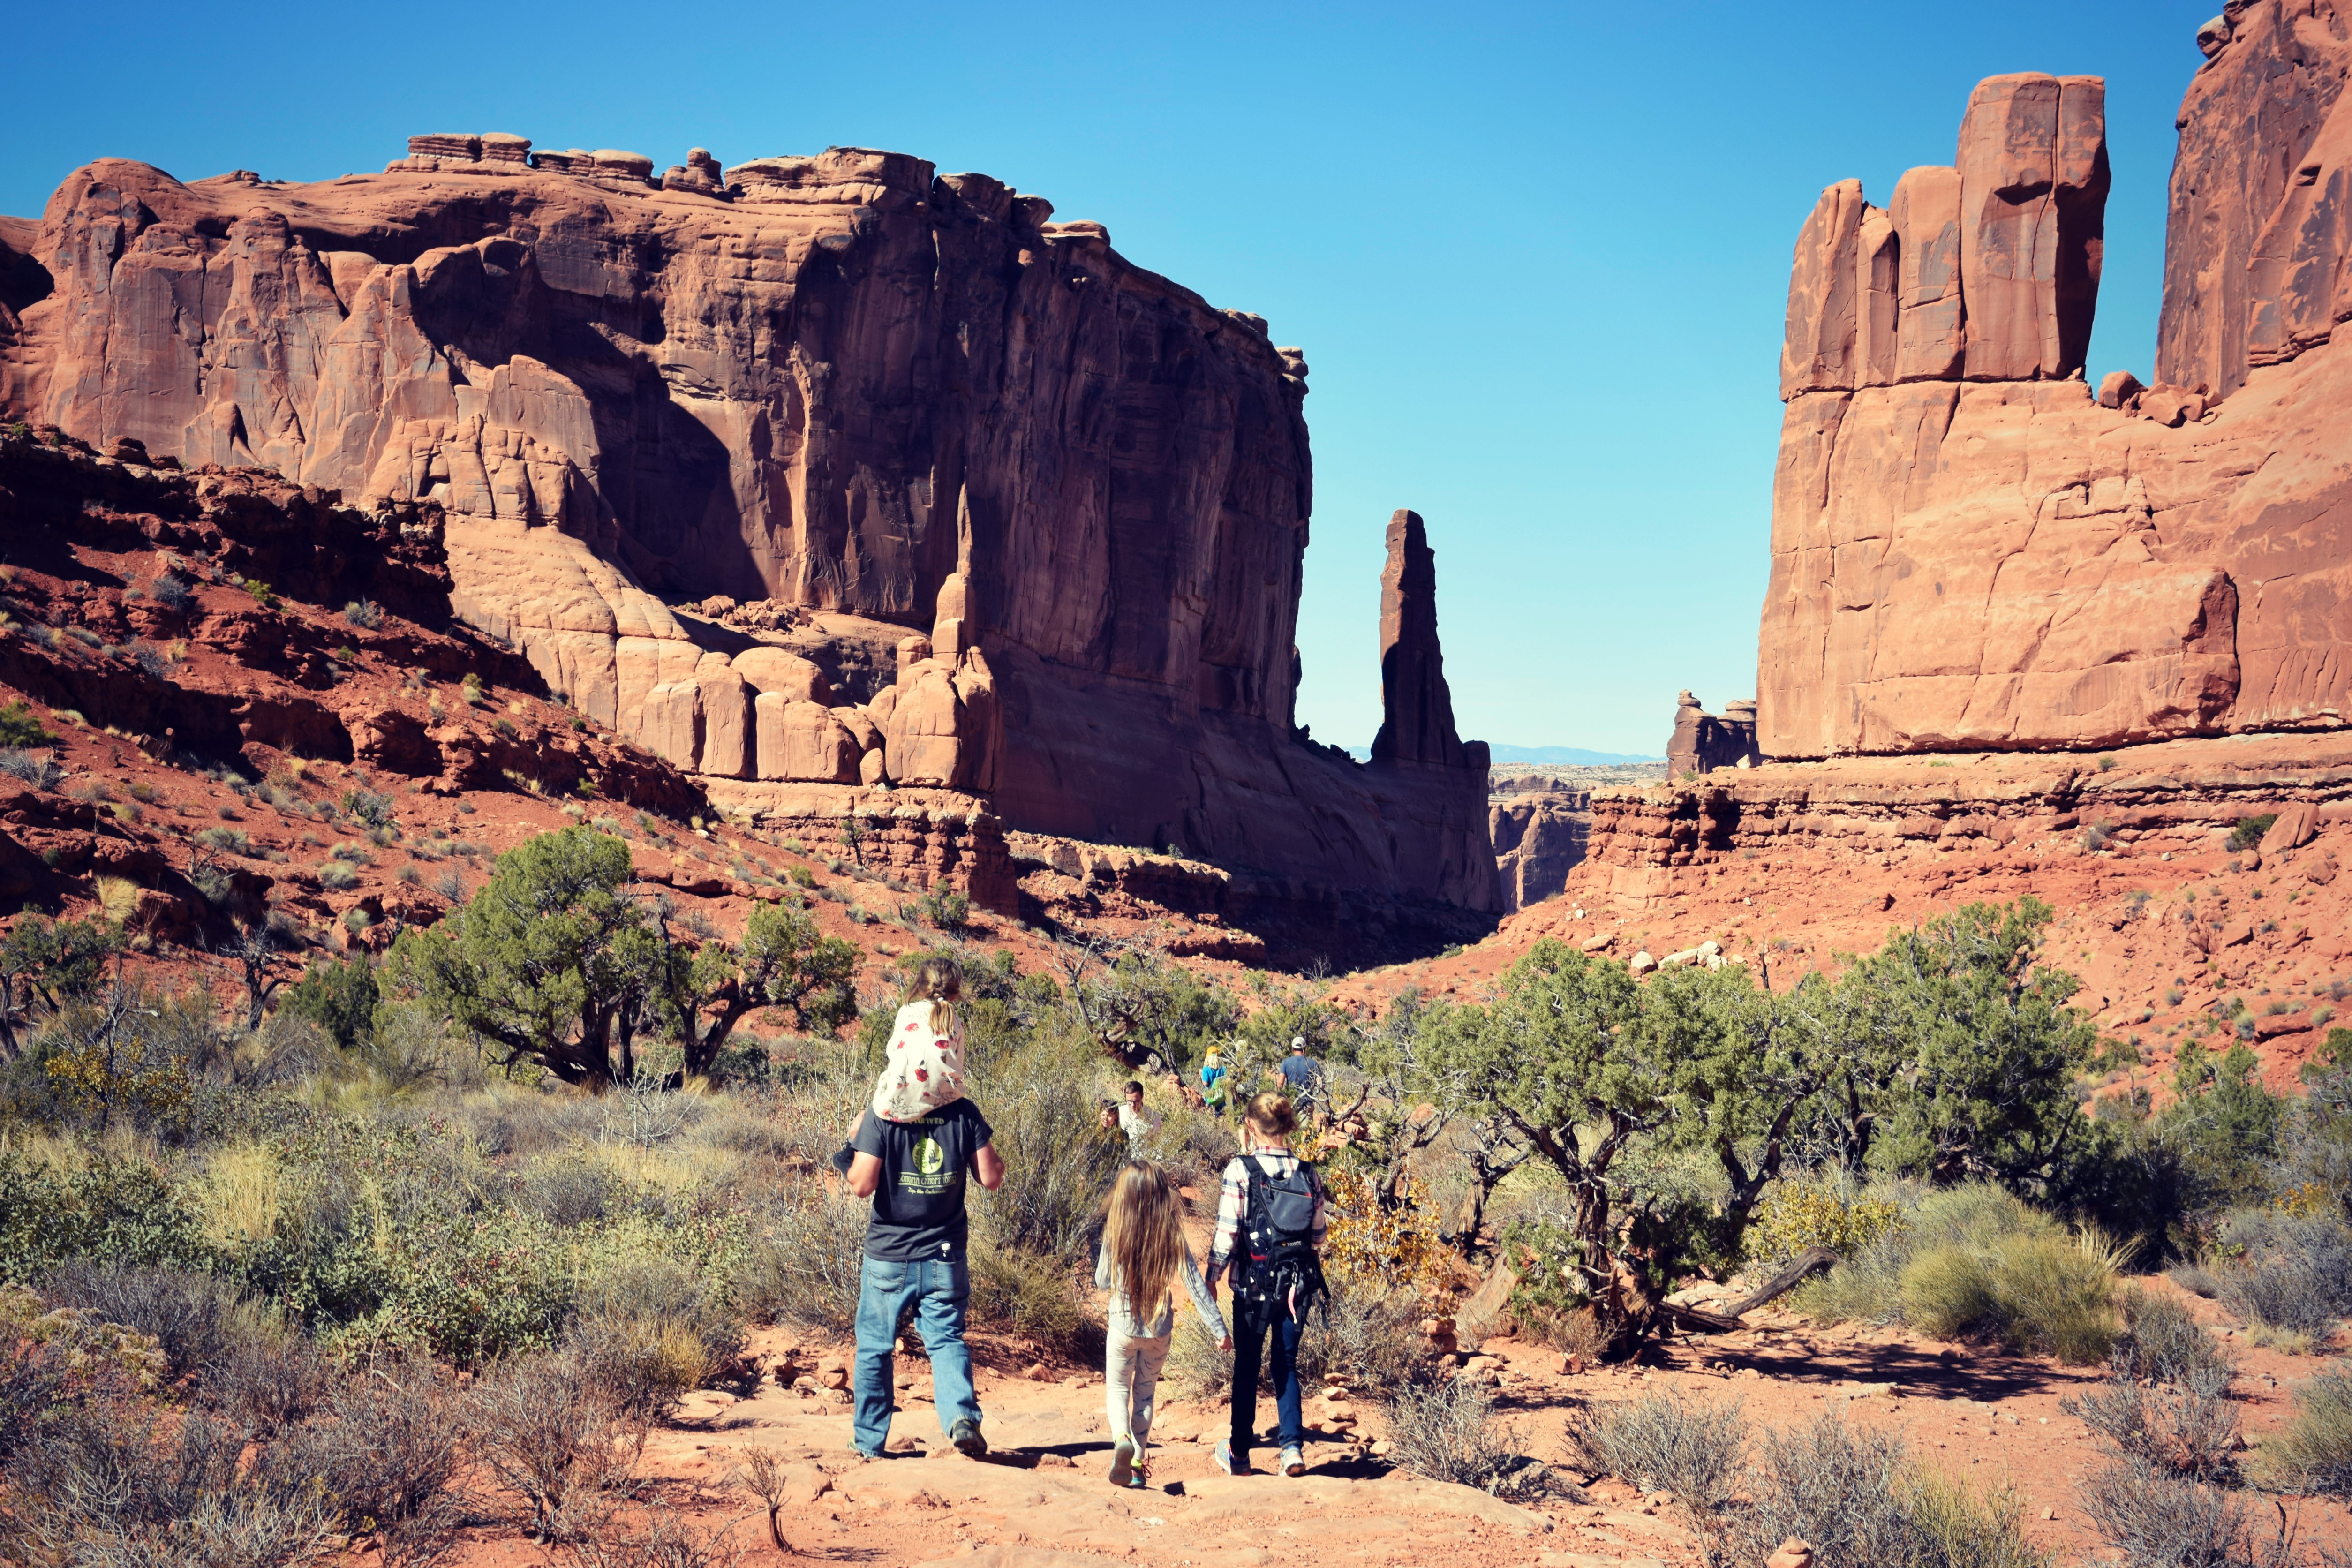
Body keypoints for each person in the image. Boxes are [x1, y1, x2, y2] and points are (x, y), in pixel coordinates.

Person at [844, 958, 1005, 1460]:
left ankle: (871, 1443)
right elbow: (993, 1177)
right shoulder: (963, 1111)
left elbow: (861, 1185)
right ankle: (960, 1419)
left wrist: (849, 1148)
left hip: (889, 1252)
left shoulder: (885, 1109)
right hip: (944, 1253)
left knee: (875, 1346)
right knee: (946, 1338)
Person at [1205, 1091, 1327, 1478]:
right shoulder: (1309, 1173)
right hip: (1298, 1287)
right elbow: (1320, 1236)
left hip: (1252, 1288)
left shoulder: (1240, 1170)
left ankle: (1239, 1453)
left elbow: (1227, 1233)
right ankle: (1291, 1449)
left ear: (1251, 1126)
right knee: (1286, 1363)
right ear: (1288, 1126)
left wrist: (1213, 1276)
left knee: (1247, 1364)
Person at [1094, 1162, 1230, 1488]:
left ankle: (1121, 1439)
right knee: (1145, 1395)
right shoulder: (1171, 1233)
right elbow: (1196, 1285)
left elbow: (1101, 1281)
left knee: (1117, 1389)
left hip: (1123, 1327)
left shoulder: (1117, 1231)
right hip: (1159, 1329)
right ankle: (1138, 1466)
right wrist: (1219, 1330)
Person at [1116, 1080, 1159, 1152]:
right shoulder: (1120, 1113)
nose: (1133, 1105)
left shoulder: (1154, 1116)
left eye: (1136, 1101)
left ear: (1142, 1097)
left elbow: (1157, 1142)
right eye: (1129, 1101)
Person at [1199, 1047, 1229, 1119]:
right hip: (1219, 1095)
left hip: (1209, 1096)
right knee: (1218, 1114)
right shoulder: (1223, 1068)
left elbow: (1205, 1084)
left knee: (1206, 1114)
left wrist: (1201, 1075)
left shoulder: (1206, 1069)